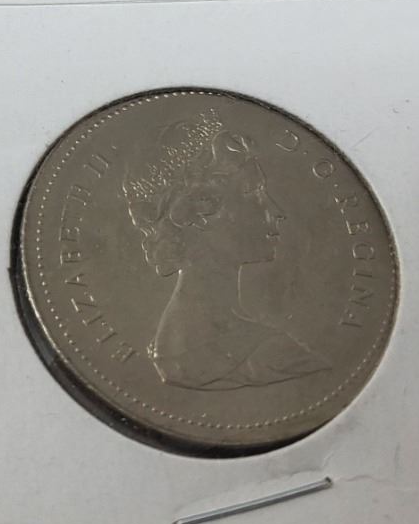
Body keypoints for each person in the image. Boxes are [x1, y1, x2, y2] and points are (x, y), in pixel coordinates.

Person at [123, 109, 329, 391]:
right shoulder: (273, 356)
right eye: (253, 192)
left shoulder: (169, 344)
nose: (276, 211)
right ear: (200, 209)